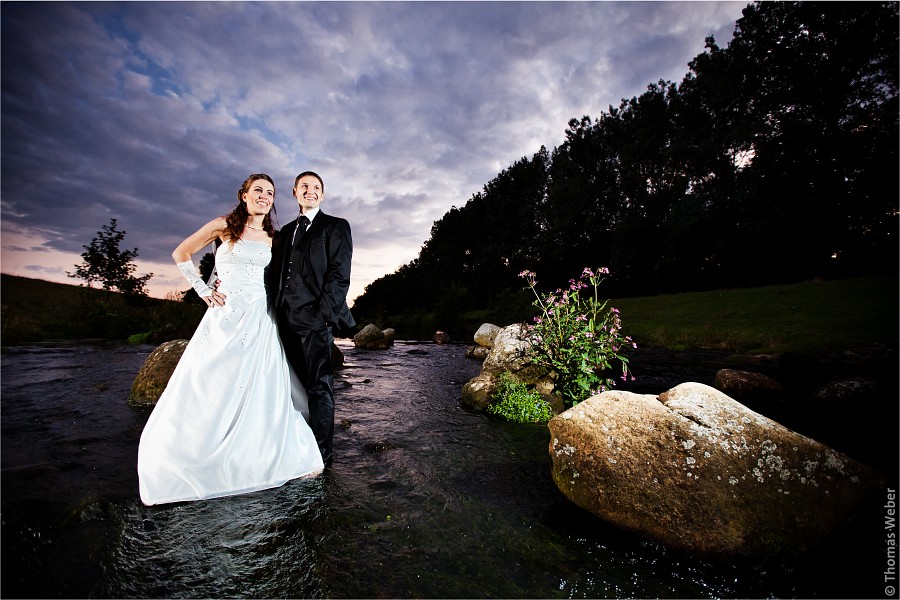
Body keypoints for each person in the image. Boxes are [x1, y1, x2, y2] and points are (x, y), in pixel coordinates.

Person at [137, 174, 324, 506]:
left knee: (261, 391)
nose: (264, 196)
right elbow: (181, 252)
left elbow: (288, 280)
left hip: (260, 321)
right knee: (209, 384)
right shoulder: (224, 226)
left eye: (269, 192)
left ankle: (257, 456)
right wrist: (204, 290)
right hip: (224, 318)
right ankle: (193, 452)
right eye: (258, 191)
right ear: (244, 195)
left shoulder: (275, 239)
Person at [271, 171, 354, 468]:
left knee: (320, 387)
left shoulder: (335, 226)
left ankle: (321, 459)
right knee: (289, 386)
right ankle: (295, 448)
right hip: (282, 320)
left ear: (323, 194)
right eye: (304, 186)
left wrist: (322, 318)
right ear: (294, 191)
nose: (310, 190)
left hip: (315, 321)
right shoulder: (284, 232)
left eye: (316, 187)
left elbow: (339, 276)